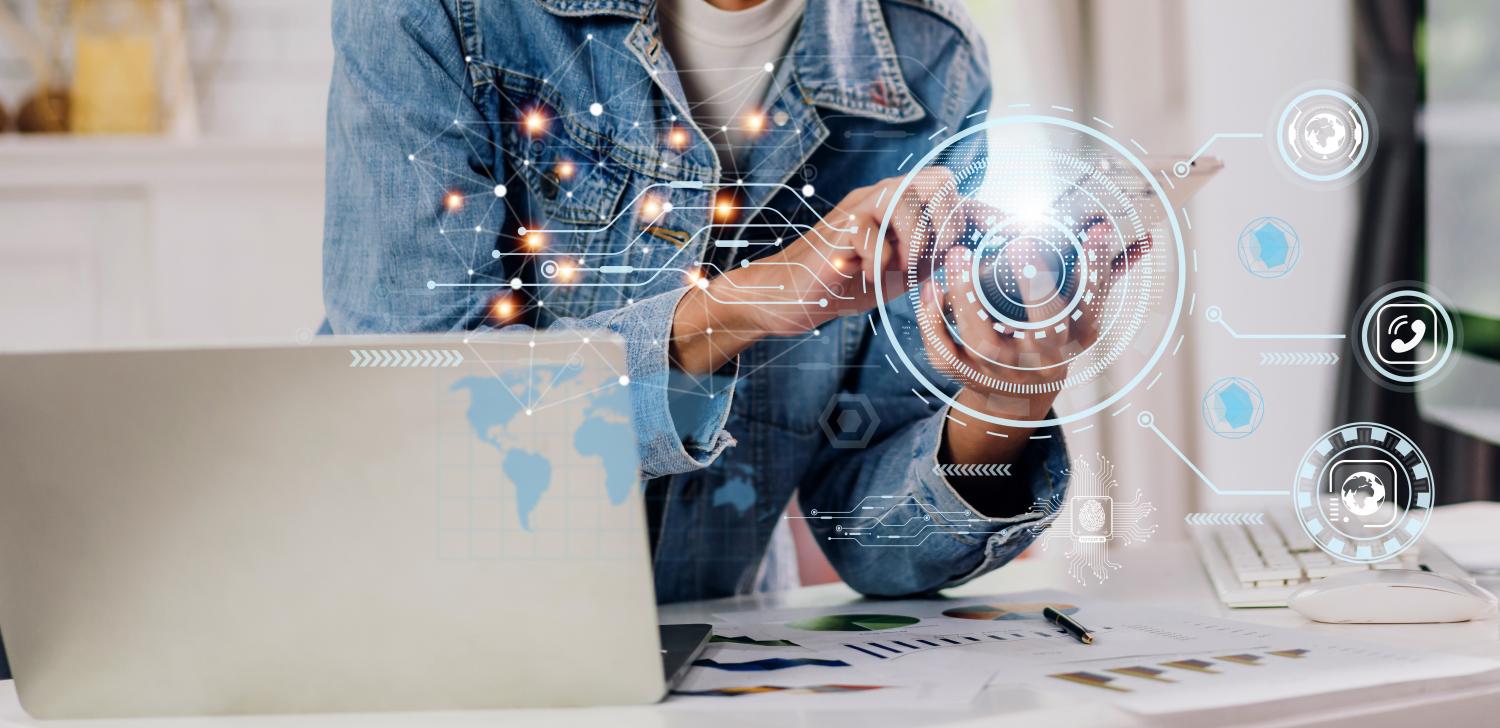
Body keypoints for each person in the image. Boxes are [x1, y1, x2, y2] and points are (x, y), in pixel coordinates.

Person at [323, 0, 1080, 603]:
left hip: (722, 660)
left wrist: (1004, 399)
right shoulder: (437, 12)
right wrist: (741, 307)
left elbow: (872, 540)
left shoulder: (929, 60)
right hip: (420, 627)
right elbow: (413, 412)